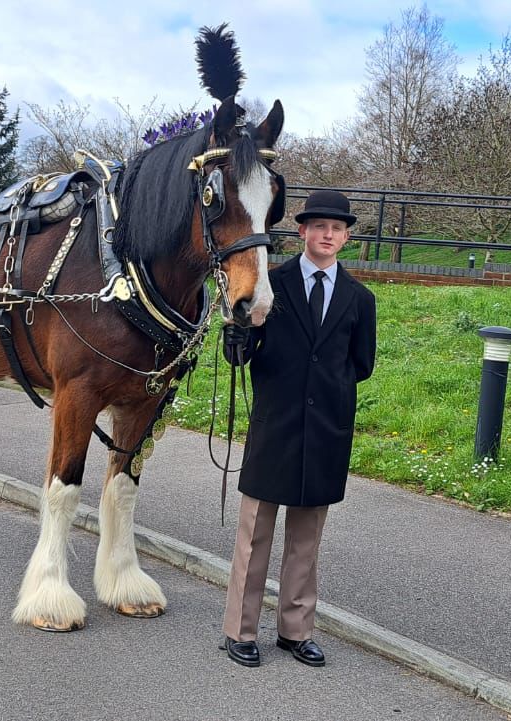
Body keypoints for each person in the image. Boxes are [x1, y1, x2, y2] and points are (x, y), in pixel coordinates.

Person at [218, 189, 377, 667]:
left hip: (326, 429)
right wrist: (237, 335)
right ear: (303, 231)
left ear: (346, 237)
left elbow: (361, 364)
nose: (327, 234)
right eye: (318, 226)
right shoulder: (272, 283)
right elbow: (240, 355)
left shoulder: (359, 299)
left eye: (337, 228)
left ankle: (295, 629)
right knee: (255, 534)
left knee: (306, 540)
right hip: (276, 423)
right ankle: (240, 631)